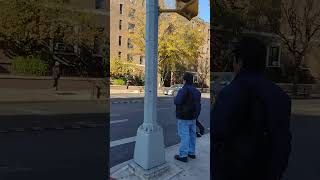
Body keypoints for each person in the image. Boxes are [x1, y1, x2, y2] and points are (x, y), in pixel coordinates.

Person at [211, 36, 292, 180]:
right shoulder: (281, 97)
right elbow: (283, 145)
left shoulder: (229, 94)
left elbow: (217, 138)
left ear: (239, 62)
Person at [174, 72, 201, 162]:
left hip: (183, 117)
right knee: (192, 135)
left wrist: (176, 96)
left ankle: (183, 155)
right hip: (193, 117)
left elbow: (177, 101)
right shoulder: (196, 91)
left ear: (184, 80)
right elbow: (198, 105)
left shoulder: (183, 90)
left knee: (184, 136)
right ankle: (191, 153)